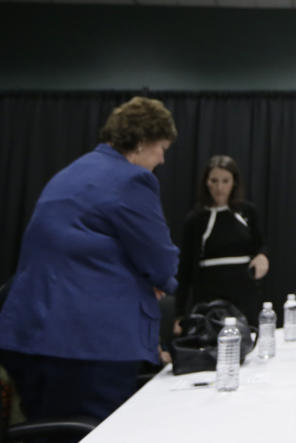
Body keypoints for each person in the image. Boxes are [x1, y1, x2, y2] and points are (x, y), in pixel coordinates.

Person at [0, 96, 179, 428]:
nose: (162, 159)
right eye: (161, 148)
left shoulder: (75, 171)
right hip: (88, 344)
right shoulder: (131, 180)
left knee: (48, 431)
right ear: (141, 143)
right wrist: (159, 282)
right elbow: (161, 261)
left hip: (30, 336)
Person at [176, 155, 268, 327]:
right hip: (209, 296)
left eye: (225, 181)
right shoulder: (195, 219)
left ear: (234, 182)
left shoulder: (248, 212)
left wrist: (262, 256)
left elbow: (261, 244)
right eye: (214, 181)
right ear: (206, 182)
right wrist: (179, 314)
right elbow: (185, 270)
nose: (220, 187)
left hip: (244, 293)